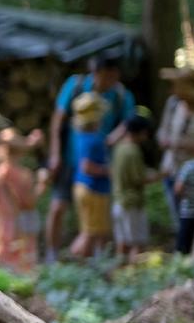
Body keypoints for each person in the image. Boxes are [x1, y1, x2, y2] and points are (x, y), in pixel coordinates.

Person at [45, 56, 136, 259]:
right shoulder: (75, 86)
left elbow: (127, 123)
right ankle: (53, 256)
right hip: (70, 161)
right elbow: (58, 120)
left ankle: (92, 260)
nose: (111, 82)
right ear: (96, 73)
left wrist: (110, 142)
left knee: (96, 222)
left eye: (115, 77)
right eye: (107, 77)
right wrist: (55, 154)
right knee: (59, 207)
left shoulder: (121, 96)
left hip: (98, 168)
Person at [0, 128, 43, 272]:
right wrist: (42, 186)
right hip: (23, 224)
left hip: (4, 224)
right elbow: (29, 203)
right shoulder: (25, 176)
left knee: (2, 261)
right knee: (23, 262)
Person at [156, 67, 194, 227]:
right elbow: (163, 130)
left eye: (177, 86)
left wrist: (180, 144)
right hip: (171, 169)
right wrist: (164, 140)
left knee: (193, 219)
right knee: (178, 218)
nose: (174, 91)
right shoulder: (173, 104)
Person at [68, 92, 113, 258]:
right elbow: (87, 167)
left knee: (93, 231)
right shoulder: (92, 139)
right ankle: (77, 260)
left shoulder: (82, 136)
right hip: (93, 189)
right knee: (90, 232)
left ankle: (91, 263)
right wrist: (108, 170)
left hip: (84, 186)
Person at [112, 115, 156, 261]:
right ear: (141, 132)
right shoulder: (133, 151)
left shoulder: (119, 148)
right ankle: (134, 272)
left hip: (119, 201)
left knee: (122, 244)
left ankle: (120, 270)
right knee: (138, 244)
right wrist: (160, 175)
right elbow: (139, 179)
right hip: (132, 203)